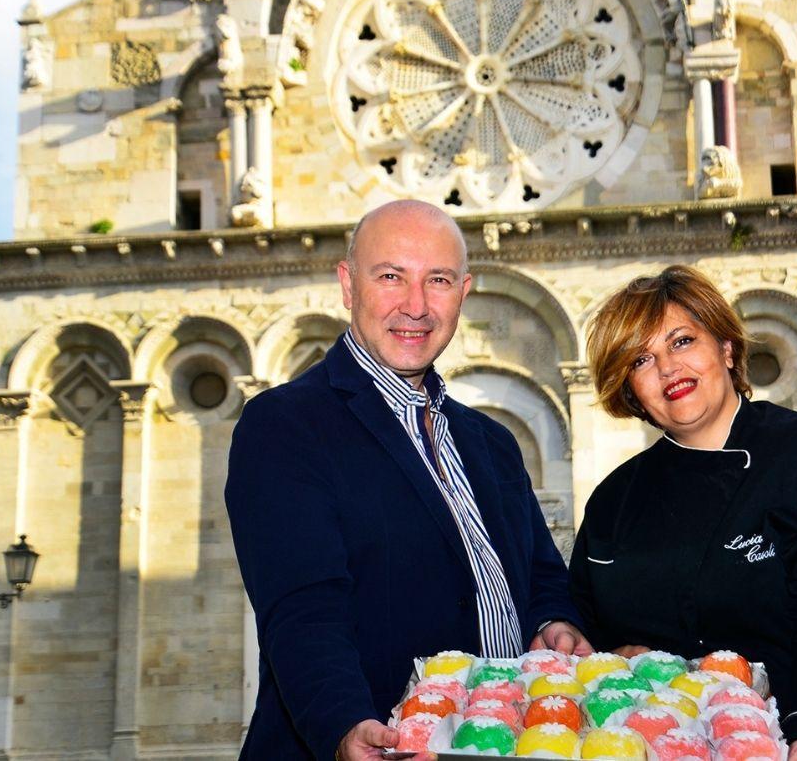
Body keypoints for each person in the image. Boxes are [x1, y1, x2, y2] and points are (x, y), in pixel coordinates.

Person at [226, 200, 590, 761]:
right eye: (391, 276)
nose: (415, 306)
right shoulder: (287, 424)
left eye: (437, 280)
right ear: (348, 285)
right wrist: (345, 724)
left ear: (463, 292)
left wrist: (554, 621)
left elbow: (542, 574)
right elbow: (302, 607)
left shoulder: (491, 443)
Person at [570, 265, 797, 761]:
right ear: (630, 392)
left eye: (683, 341)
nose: (668, 368)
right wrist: (616, 660)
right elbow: (591, 641)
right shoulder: (612, 502)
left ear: (726, 349)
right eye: (642, 359)